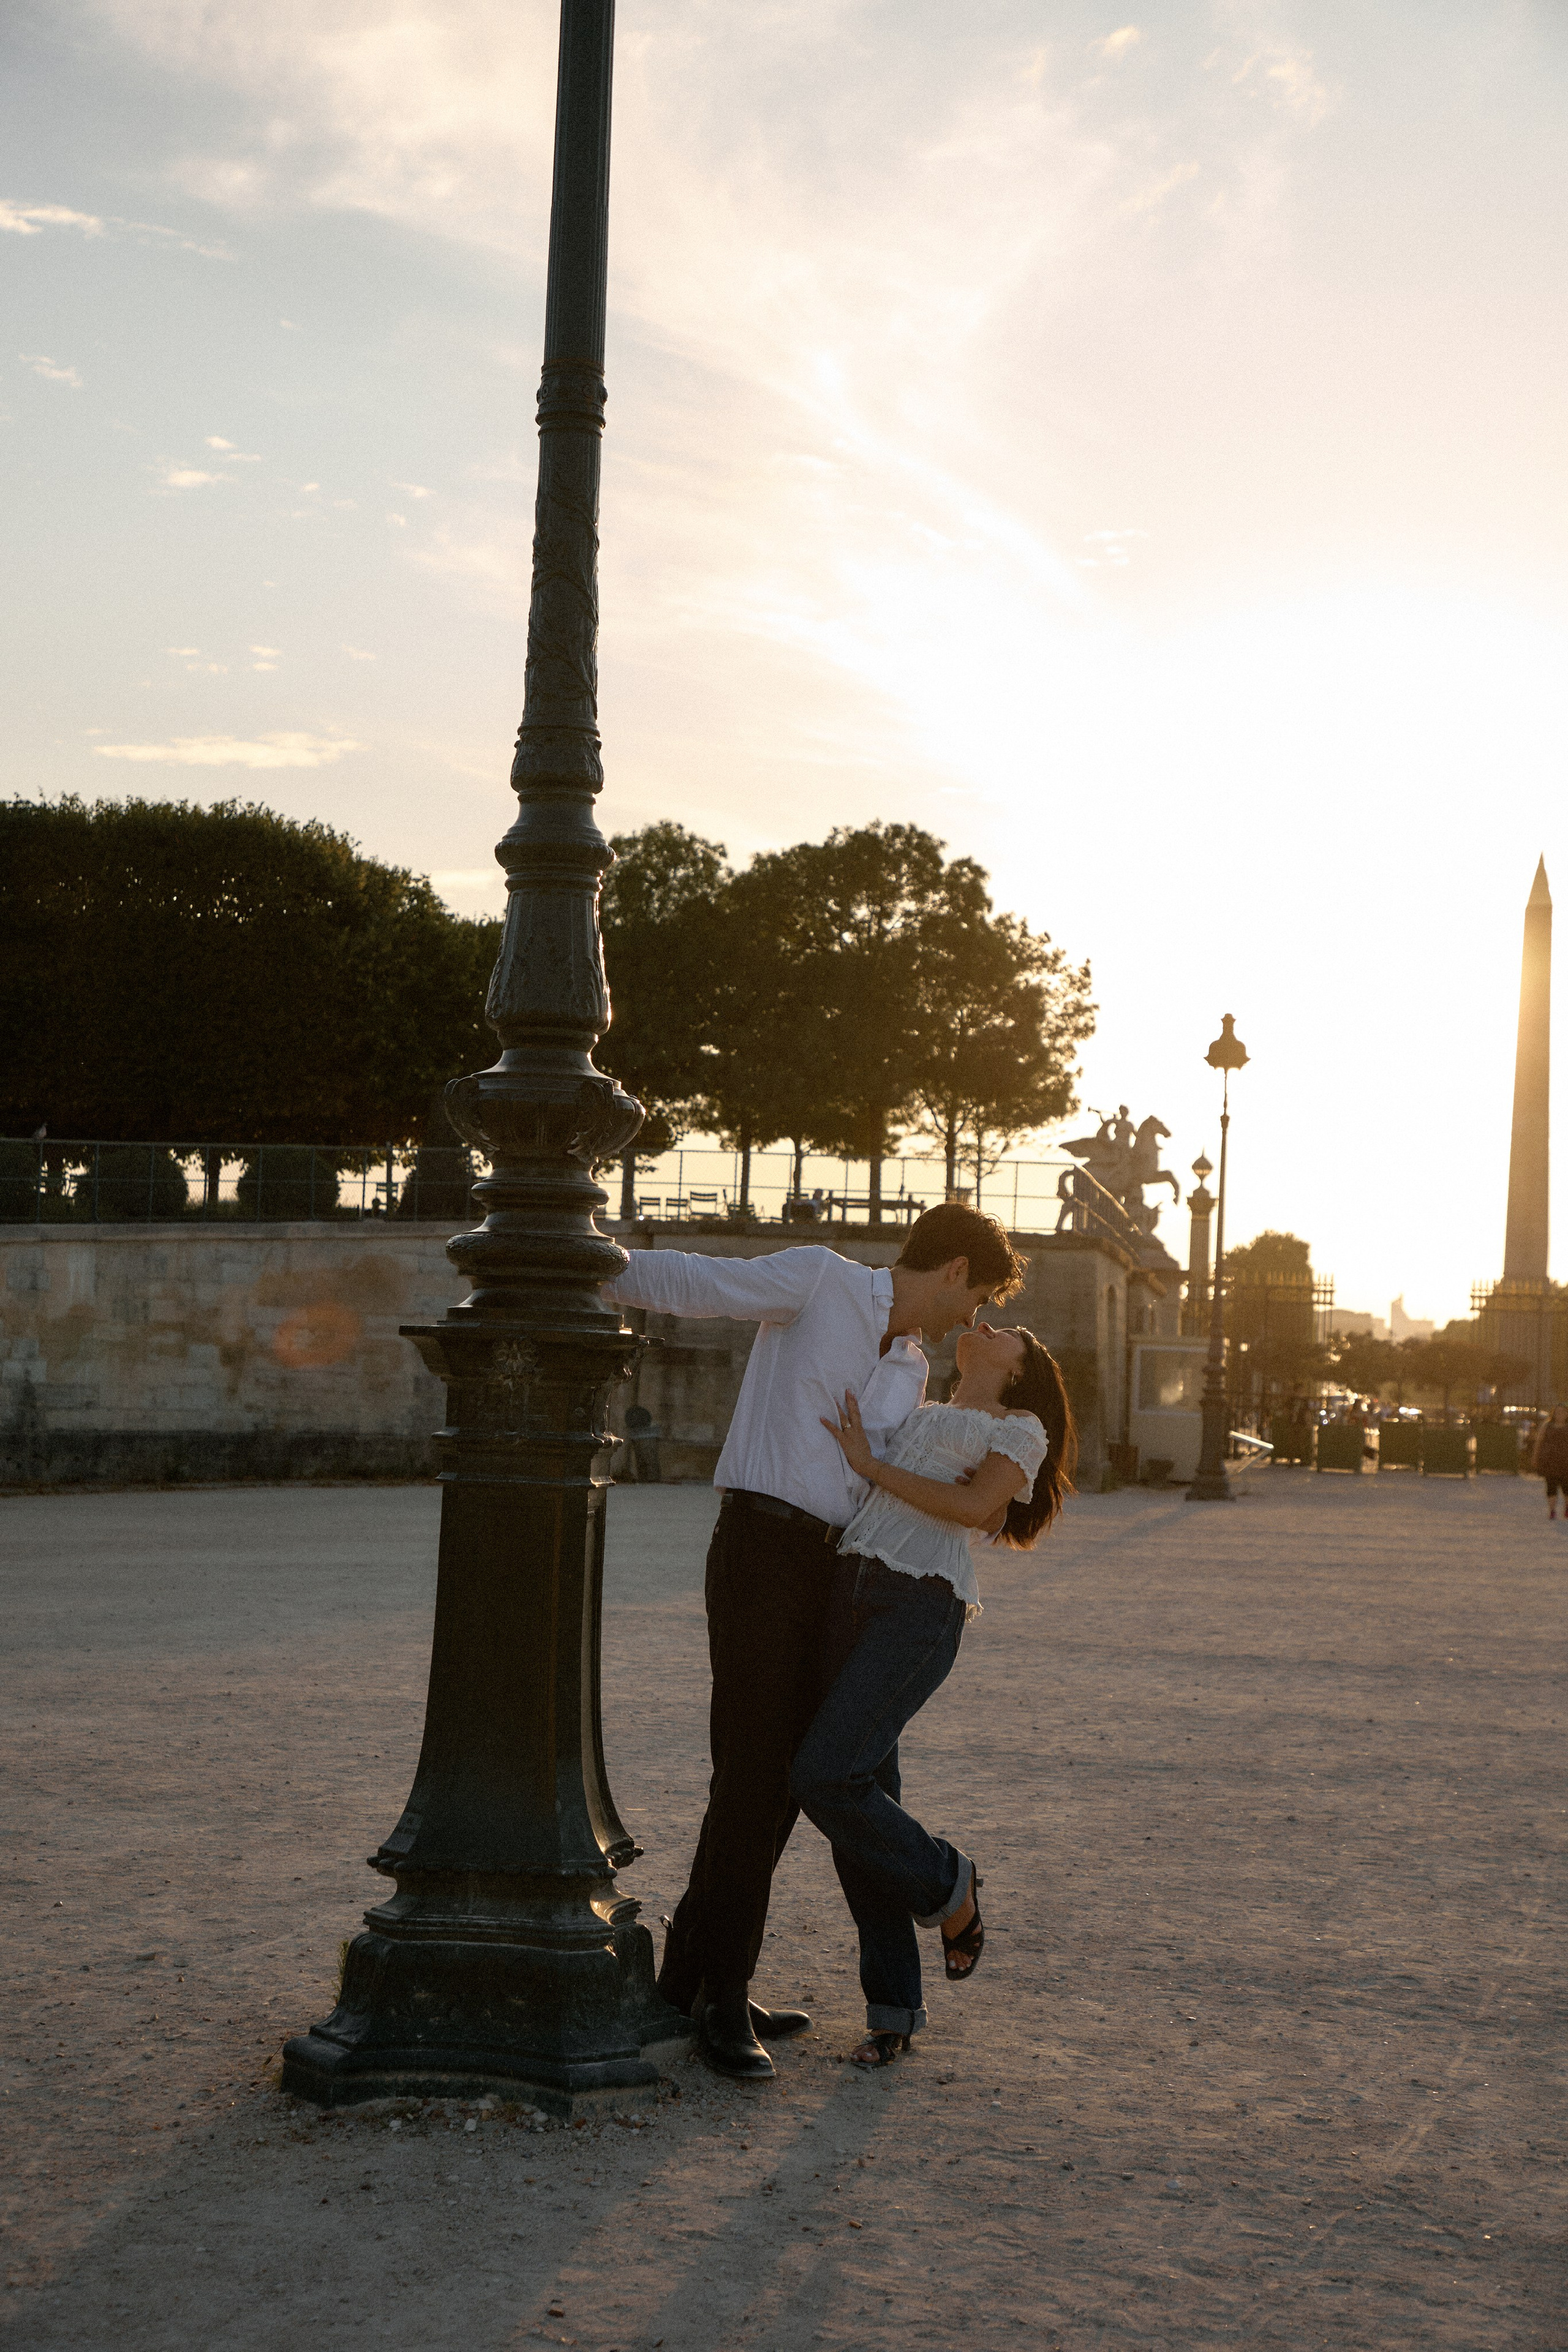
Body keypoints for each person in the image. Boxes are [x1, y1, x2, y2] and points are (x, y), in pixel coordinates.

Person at [601, 1200, 1027, 2080]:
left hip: (831, 1573)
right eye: (977, 1296)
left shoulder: (910, 1368)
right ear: (953, 1271)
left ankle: (694, 1975)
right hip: (758, 1549)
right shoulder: (822, 1279)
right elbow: (700, 1283)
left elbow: (893, 1482)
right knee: (753, 1775)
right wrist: (586, 1262)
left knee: (788, 1784)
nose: (972, 1318)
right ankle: (721, 1996)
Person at [796, 1323, 1076, 2066]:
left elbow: (973, 1508)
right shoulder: (923, 1407)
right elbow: (976, 1507)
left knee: (823, 1776)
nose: (984, 1326)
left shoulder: (1021, 1427)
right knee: (861, 1805)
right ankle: (892, 2010)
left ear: (1017, 1370)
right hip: (850, 1592)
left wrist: (870, 1464)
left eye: (1006, 1332)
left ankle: (949, 1880)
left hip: (919, 1606)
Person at [1535, 1403, 1568, 1518]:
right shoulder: (1547, 1426)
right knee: (1551, 1486)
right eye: (1558, 1412)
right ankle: (1552, 1511)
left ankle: (1567, 1507)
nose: (1560, 1414)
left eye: (1563, 1412)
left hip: (1566, 1462)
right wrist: (1536, 1457)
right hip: (1550, 1461)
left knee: (1566, 1487)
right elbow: (1539, 1442)